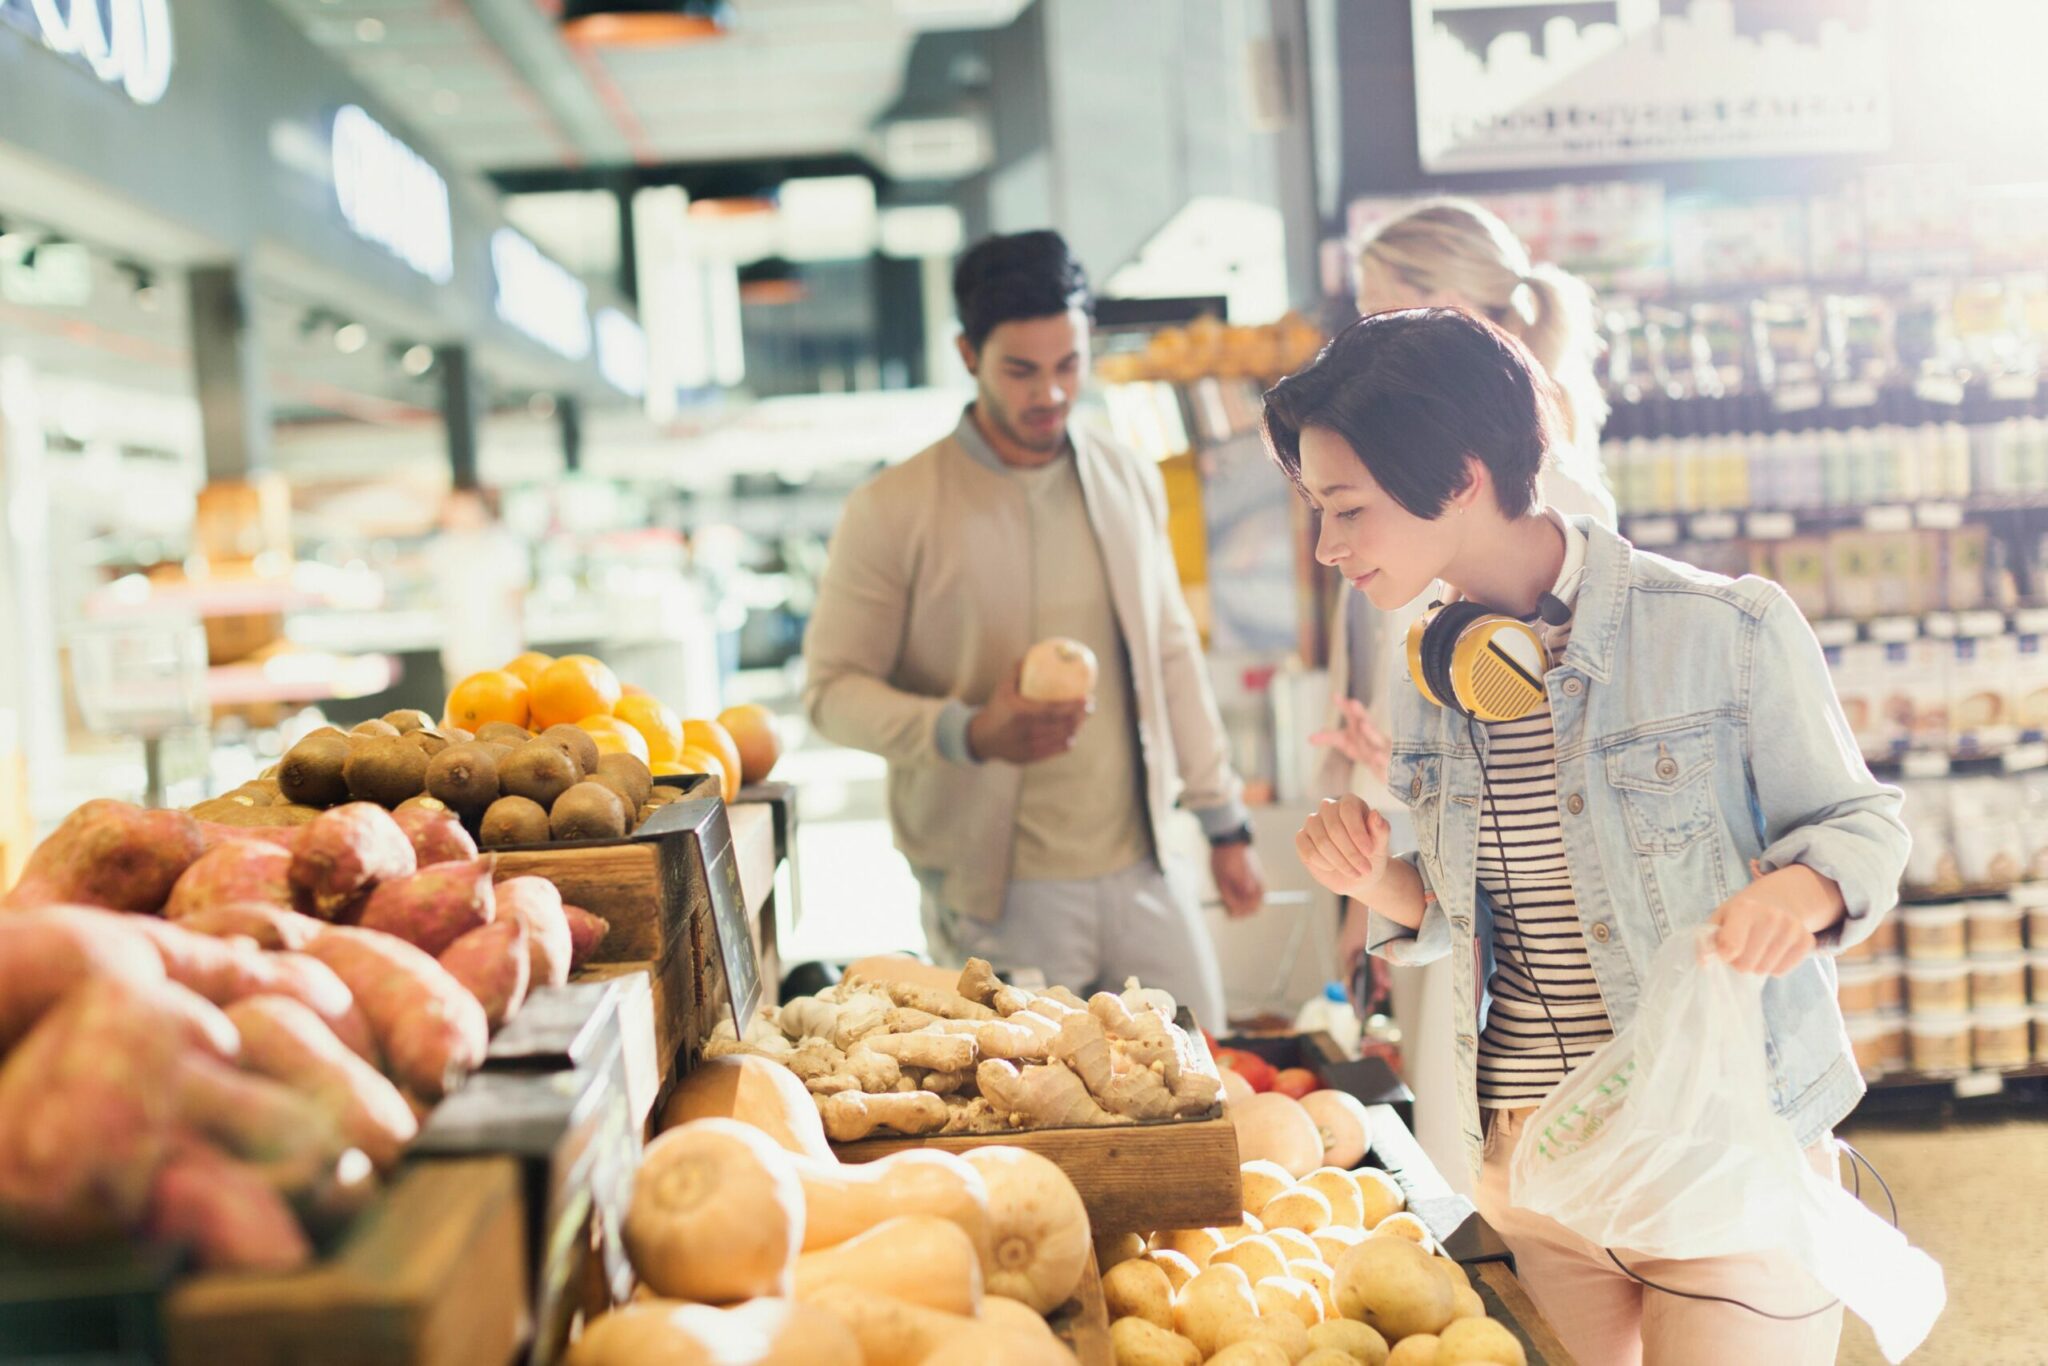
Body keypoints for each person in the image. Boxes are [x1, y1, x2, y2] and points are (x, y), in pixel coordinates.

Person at [1269, 308, 1907, 1366]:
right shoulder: (1425, 667)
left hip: (1714, 1146)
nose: (1329, 547)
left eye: (1347, 509)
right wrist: (1377, 881)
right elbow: (1462, 907)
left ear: (1461, 475)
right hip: (1530, 1160)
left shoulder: (1726, 629)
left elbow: (1862, 828)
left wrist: (1796, 896)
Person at [803, 230, 1264, 1027]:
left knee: (1208, 1087)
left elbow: (1168, 649)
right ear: (967, 353)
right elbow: (830, 694)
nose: (1050, 393)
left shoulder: (1123, 475)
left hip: (1146, 869)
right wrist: (969, 731)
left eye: (1069, 365)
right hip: (998, 894)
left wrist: (1224, 821)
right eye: (1021, 370)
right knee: (1038, 1133)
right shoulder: (891, 509)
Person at [1316, 199, 1619, 1185]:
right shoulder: (1423, 458)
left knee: (1474, 1142)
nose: (1356, 341)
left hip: (1497, 884)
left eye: (1376, 314)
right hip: (1423, 842)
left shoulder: (1545, 487)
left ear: (1441, 308)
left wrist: (1406, 769)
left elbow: (1557, 732)